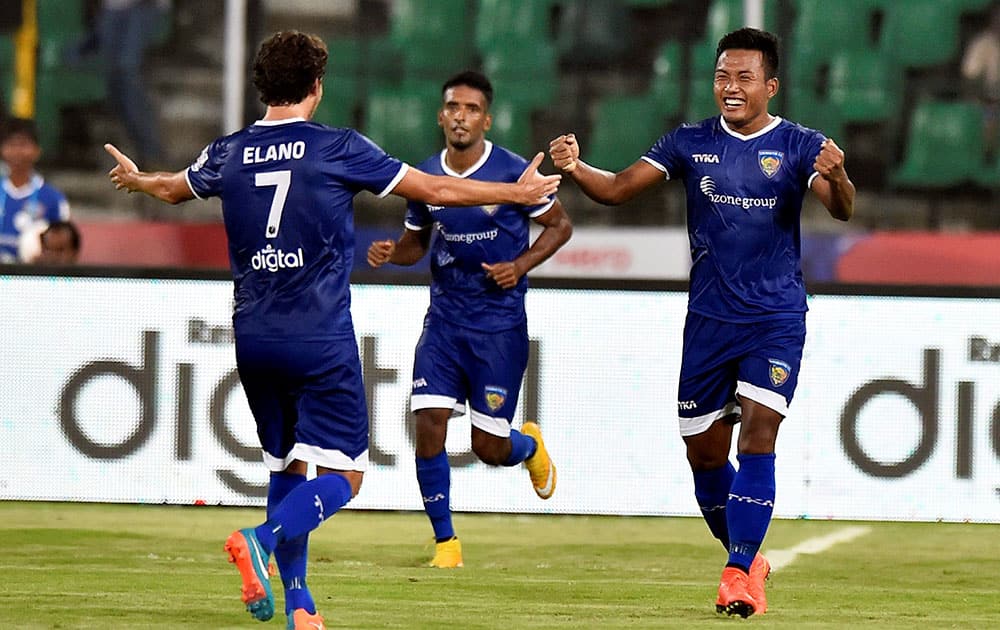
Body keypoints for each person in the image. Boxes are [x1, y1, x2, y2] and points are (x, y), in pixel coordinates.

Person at [104, 31, 559, 630]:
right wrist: (515, 192)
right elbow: (440, 189)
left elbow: (171, 188)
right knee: (346, 473)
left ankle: (300, 605)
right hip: (318, 337)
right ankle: (262, 539)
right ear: (317, 87)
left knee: (286, 465)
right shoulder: (338, 147)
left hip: (253, 337)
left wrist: (139, 181)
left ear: (263, 86)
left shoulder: (229, 150)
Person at [549, 27, 854, 618]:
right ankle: (747, 558)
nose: (730, 88)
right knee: (705, 459)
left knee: (759, 433)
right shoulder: (690, 142)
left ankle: (737, 572)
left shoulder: (798, 144)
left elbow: (838, 207)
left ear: (771, 85)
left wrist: (838, 177)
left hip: (775, 316)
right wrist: (577, 166)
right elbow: (615, 191)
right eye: (722, 77)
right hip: (709, 321)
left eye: (744, 78)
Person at [366, 71, 572, 569]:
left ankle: (528, 447)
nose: (461, 116)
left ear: (487, 119)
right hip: (444, 321)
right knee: (429, 424)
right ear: (441, 116)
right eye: (453, 107)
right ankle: (446, 545)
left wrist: (519, 266)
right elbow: (416, 241)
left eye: (471, 109)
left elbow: (560, 225)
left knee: (489, 447)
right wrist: (394, 252)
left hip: (499, 326)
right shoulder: (425, 176)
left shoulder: (514, 171)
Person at [97, 0, 171, 167]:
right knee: (113, 81)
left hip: (145, 6)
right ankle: (134, 154)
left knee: (127, 70)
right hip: (113, 7)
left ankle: (152, 155)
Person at [0, 118, 71, 263]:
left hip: (34, 279)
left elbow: (67, 251)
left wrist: (49, 258)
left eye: (23, 145)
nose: (17, 151)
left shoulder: (53, 199)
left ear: (37, 150)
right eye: (11, 145)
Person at [961, 1, 1000, 160]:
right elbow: (971, 82)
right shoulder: (981, 44)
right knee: (989, 116)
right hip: (987, 103)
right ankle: (986, 162)